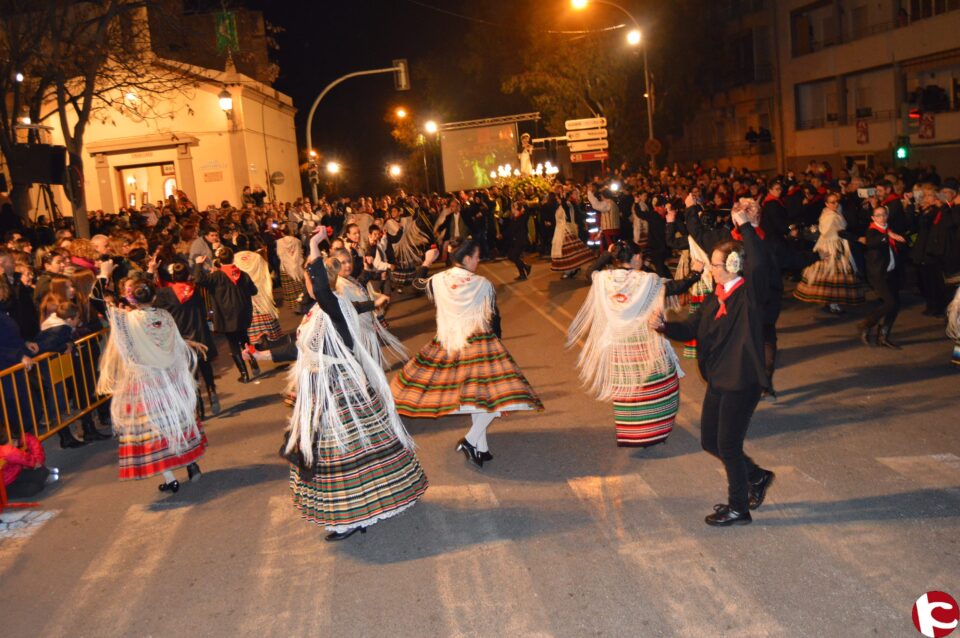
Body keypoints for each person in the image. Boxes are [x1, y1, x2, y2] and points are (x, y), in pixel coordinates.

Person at [252, 233, 427, 541]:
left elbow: (320, 287)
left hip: (338, 391)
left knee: (341, 452)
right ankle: (349, 515)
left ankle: (349, 518)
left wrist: (314, 246)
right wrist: (262, 354)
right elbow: (303, 347)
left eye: (311, 278)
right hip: (321, 389)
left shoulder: (335, 307)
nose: (308, 282)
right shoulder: (317, 313)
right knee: (332, 451)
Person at [652, 205, 775, 527]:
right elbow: (691, 329)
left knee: (728, 446)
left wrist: (746, 226)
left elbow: (760, 263)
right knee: (709, 441)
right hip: (719, 378)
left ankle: (739, 508)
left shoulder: (749, 296)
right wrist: (665, 326)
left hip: (742, 379)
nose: (711, 268)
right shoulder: (713, 297)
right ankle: (757, 476)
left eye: (716, 264)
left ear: (733, 265)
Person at [391, 240, 543, 468]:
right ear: (467, 259)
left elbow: (417, 285)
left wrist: (427, 262)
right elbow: (494, 318)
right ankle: (472, 441)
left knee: (476, 400)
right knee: (493, 400)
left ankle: (481, 448)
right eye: (477, 256)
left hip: (448, 343)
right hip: (478, 343)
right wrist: (498, 346)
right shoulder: (483, 283)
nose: (478, 260)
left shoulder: (439, 280)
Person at [568, 242, 703, 447]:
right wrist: (695, 273)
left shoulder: (605, 279)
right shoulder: (647, 280)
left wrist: (606, 253)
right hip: (645, 344)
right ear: (637, 257)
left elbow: (590, 272)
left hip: (620, 348)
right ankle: (655, 431)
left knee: (628, 391)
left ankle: (634, 434)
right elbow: (677, 287)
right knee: (660, 386)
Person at [96, 280, 206, 494]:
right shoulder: (165, 316)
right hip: (172, 381)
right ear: (154, 297)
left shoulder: (127, 320)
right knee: (180, 421)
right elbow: (175, 342)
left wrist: (104, 279)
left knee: (156, 430)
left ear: (132, 299)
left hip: (147, 383)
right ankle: (191, 465)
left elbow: (102, 304)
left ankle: (170, 478)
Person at [153, 262, 221, 417]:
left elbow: (153, 301)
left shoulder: (165, 294)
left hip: (181, 338)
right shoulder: (195, 292)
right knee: (205, 366)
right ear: (188, 276)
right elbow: (204, 311)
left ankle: (199, 406)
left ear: (172, 277)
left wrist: (152, 272)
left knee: (190, 373)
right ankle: (211, 390)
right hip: (200, 334)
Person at [331, 248, 407, 369]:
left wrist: (367, 271)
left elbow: (359, 284)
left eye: (349, 261)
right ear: (335, 266)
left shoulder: (347, 278)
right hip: (359, 331)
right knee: (366, 364)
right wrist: (374, 303)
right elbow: (350, 307)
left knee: (371, 363)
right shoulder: (339, 286)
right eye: (343, 263)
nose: (348, 265)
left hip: (366, 326)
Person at [192, 248, 260, 382]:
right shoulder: (242, 274)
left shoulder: (216, 276)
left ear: (219, 261)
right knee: (245, 340)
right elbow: (254, 291)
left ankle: (244, 374)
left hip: (226, 316)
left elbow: (199, 280)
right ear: (233, 259)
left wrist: (198, 264)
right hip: (243, 313)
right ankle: (254, 365)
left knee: (233, 344)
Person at [794, 193, 865, 313]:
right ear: (827, 204)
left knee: (831, 275)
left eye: (837, 201)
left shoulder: (830, 212)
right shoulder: (830, 216)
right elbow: (827, 231)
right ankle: (833, 304)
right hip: (831, 245)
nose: (836, 204)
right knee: (832, 274)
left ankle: (831, 303)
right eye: (832, 202)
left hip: (834, 244)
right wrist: (848, 236)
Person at [857, 206, 907, 348]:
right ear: (873, 218)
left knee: (895, 305)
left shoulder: (889, 229)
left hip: (891, 272)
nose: (882, 217)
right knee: (890, 303)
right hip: (878, 274)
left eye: (884, 214)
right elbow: (872, 242)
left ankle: (883, 336)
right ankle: (866, 324)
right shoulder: (873, 231)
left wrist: (899, 240)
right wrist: (887, 236)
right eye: (878, 215)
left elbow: (899, 246)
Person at [234, 248, 282, 346]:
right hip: (261, 290)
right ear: (247, 243)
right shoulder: (257, 257)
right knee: (265, 310)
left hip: (246, 293)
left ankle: (256, 338)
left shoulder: (235, 259)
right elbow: (268, 269)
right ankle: (270, 334)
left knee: (252, 315)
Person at [1, 433, 58, 499]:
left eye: (16, 440)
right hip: (5, 484)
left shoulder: (11, 440)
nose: (16, 444)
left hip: (17, 473)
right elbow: (14, 454)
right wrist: (34, 463)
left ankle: (43, 478)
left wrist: (38, 461)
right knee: (33, 489)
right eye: (14, 441)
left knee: (42, 472)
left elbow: (29, 439)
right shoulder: (5, 450)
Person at [550, 194, 594, 279]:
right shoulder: (560, 207)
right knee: (565, 251)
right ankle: (570, 269)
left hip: (565, 229)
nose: (557, 200)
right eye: (556, 199)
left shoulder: (567, 205)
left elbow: (573, 214)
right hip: (560, 230)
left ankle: (570, 270)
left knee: (568, 251)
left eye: (558, 198)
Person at [276, 228, 306, 312]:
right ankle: (301, 305)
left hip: (285, 268)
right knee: (298, 287)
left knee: (290, 289)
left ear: (282, 233)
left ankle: (295, 307)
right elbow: (300, 253)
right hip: (296, 266)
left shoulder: (279, 242)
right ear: (291, 232)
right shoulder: (297, 241)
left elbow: (279, 254)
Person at [505, 201, 532, 281]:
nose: (511, 209)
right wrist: (503, 235)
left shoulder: (522, 217)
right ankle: (523, 272)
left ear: (516, 208)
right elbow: (511, 229)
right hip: (516, 240)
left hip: (521, 241)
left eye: (513, 207)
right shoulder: (514, 217)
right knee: (513, 256)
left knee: (513, 256)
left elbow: (527, 211)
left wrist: (523, 205)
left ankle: (525, 268)